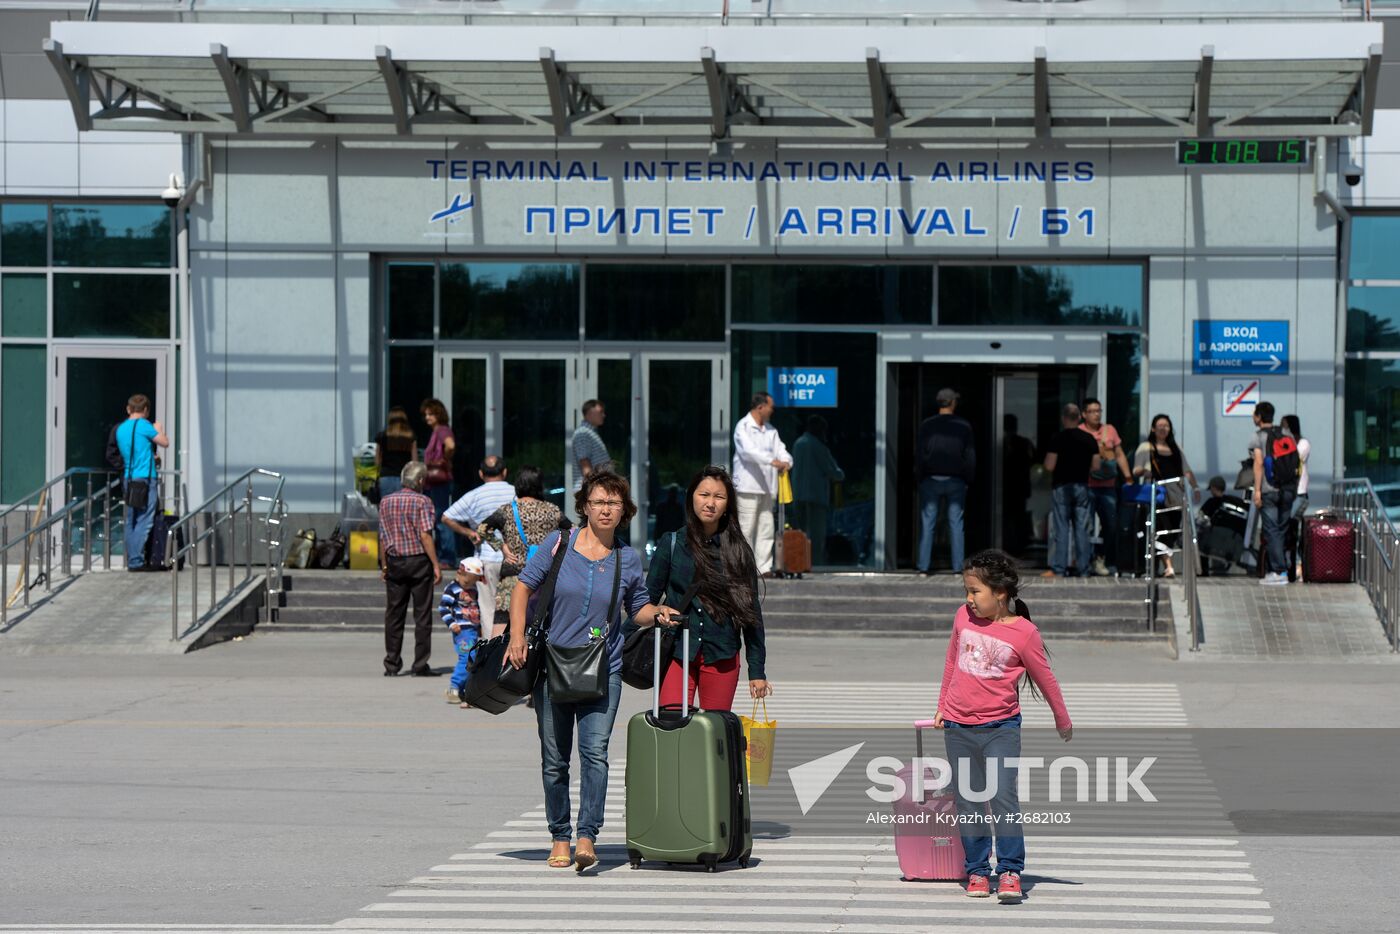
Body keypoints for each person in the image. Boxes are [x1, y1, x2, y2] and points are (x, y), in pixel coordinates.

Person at [506, 471, 680, 873]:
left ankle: (587, 835)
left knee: (595, 754)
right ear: (584, 505)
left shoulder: (627, 557)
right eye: (599, 501)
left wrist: (658, 613)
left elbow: (637, 608)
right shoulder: (558, 544)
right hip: (553, 665)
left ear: (625, 512)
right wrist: (517, 637)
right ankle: (560, 835)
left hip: (605, 667)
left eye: (614, 503)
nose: (606, 509)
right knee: (554, 759)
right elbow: (522, 589)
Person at [934, 549, 1071, 902]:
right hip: (958, 727)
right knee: (968, 801)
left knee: (1002, 797)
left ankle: (1010, 870)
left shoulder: (1024, 633)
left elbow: (1046, 679)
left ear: (1000, 594)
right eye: (967, 591)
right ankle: (977, 870)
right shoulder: (963, 618)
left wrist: (1062, 719)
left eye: (975, 591)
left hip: (1001, 728)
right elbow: (951, 662)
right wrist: (941, 708)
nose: (969, 599)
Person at [646, 465, 772, 712]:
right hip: (677, 652)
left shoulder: (738, 551)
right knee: (672, 727)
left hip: (722, 654)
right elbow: (646, 600)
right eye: (704, 494)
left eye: (719, 496)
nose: (710, 503)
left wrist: (757, 670)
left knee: (714, 734)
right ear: (691, 496)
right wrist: (658, 610)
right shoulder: (672, 544)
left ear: (727, 505)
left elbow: (752, 614)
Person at [479, 464, 563, 637]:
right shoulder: (553, 510)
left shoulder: (508, 510)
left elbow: (482, 529)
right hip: (545, 577)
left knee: (502, 625)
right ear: (540, 485)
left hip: (513, 574)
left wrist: (501, 546)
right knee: (542, 625)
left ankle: (499, 662)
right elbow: (573, 531)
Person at [378, 461, 441, 677]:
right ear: (421, 480)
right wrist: (435, 564)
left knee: (394, 614)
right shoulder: (423, 501)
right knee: (422, 615)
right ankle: (420, 664)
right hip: (418, 561)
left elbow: (383, 537)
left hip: (395, 561)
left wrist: (384, 565)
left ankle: (392, 664)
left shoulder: (386, 501)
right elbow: (425, 535)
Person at [442, 456, 516, 625]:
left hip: (486, 559)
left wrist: (468, 531)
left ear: (481, 474)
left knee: (488, 609)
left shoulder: (474, 495)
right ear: (505, 472)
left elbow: (446, 517)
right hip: (514, 558)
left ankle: (492, 648)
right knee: (514, 607)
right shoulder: (515, 493)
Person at [916, 388, 975, 575]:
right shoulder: (963, 425)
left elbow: (919, 455)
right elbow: (970, 456)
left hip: (930, 479)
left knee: (928, 523)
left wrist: (919, 477)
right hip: (956, 480)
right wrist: (968, 479)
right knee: (956, 524)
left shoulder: (927, 425)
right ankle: (958, 567)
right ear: (952, 403)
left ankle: (923, 567)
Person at [731, 392, 792, 576]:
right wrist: (773, 461)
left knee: (766, 527)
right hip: (747, 487)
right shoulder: (743, 427)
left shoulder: (771, 430)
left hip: (767, 488)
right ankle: (743, 567)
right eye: (770, 407)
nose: (772, 411)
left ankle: (763, 567)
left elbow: (782, 451)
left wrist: (786, 461)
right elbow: (749, 452)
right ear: (760, 407)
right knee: (746, 529)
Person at [1135, 414, 1199, 578]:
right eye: (1160, 425)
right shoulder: (1146, 447)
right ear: (1153, 428)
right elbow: (1136, 469)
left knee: (1172, 530)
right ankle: (1168, 566)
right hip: (1157, 494)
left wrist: (1195, 487)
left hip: (1176, 496)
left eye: (1167, 426)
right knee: (1160, 529)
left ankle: (1163, 565)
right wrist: (1145, 471)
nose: (1163, 428)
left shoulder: (1176, 448)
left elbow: (1186, 470)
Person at [1042, 403, 1099, 578]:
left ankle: (1059, 568)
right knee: (1082, 529)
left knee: (1061, 528)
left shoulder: (1058, 439)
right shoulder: (1089, 439)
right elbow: (1096, 466)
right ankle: (1084, 569)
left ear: (1063, 418)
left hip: (1062, 487)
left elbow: (1049, 465)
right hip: (1082, 486)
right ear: (1079, 417)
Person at [116, 394, 170, 572]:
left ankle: (132, 559)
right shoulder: (145, 426)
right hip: (145, 479)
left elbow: (134, 450)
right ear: (146, 410)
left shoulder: (121, 428)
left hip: (128, 477)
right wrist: (159, 429)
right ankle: (136, 560)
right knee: (145, 520)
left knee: (131, 519)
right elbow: (165, 442)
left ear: (128, 409)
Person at [1079, 398, 1133, 576]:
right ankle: (1085, 563)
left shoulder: (1110, 430)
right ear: (1084, 414)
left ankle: (1103, 558)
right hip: (1087, 486)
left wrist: (1128, 477)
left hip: (1108, 486)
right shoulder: (1079, 432)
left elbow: (1119, 455)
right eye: (1093, 411)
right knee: (1085, 526)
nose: (1096, 414)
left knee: (1111, 525)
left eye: (1099, 411)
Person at [790, 416, 845, 566]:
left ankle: (799, 562)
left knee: (800, 533)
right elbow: (832, 471)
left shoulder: (798, 443)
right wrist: (840, 475)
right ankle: (815, 564)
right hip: (816, 496)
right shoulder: (817, 446)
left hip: (799, 495)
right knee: (816, 535)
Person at [440, 557, 484, 707]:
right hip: (462, 631)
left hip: (472, 630)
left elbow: (476, 609)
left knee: (473, 658)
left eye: (474, 581)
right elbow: (443, 608)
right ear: (462, 573)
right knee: (466, 658)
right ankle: (454, 687)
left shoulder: (473, 590)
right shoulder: (452, 589)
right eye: (470, 581)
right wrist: (452, 623)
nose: (471, 584)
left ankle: (464, 689)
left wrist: (480, 626)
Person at [420, 398, 458, 566]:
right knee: (437, 518)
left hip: (438, 482)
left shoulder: (442, 430)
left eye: (431, 414)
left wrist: (444, 459)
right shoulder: (437, 430)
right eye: (426, 414)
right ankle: (444, 555)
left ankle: (447, 557)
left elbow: (450, 445)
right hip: (434, 483)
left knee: (441, 518)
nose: (427, 417)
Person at [1000, 414, 1036, 556]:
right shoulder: (1024, 442)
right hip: (1019, 485)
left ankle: (1011, 544)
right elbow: (1033, 459)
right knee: (1017, 515)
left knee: (1009, 516)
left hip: (1009, 485)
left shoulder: (1002, 443)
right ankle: (1017, 545)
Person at [1281, 413, 1310, 582]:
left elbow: (1291, 460)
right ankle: (1288, 564)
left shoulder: (1303, 443)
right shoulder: (1284, 443)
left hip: (1299, 493)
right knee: (1285, 528)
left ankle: (1298, 564)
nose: (1283, 429)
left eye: (1285, 425)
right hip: (1287, 492)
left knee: (1292, 527)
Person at [375, 406, 417, 500]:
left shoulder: (382, 436)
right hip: (404, 478)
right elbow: (414, 461)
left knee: (386, 508)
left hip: (386, 476)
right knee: (403, 509)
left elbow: (377, 460)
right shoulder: (410, 436)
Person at [571, 400, 612, 486]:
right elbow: (585, 465)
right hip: (592, 490)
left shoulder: (589, 432)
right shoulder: (583, 433)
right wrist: (592, 489)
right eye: (600, 412)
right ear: (590, 413)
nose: (604, 415)